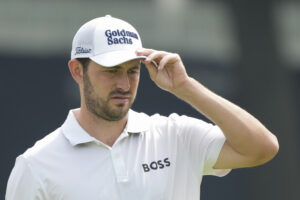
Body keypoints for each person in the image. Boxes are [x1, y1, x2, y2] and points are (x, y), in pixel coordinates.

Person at [6, 15, 279, 200]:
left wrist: (185, 87)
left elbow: (261, 148)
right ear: (78, 71)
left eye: (132, 71)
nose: (124, 84)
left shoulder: (176, 136)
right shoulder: (36, 165)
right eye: (111, 71)